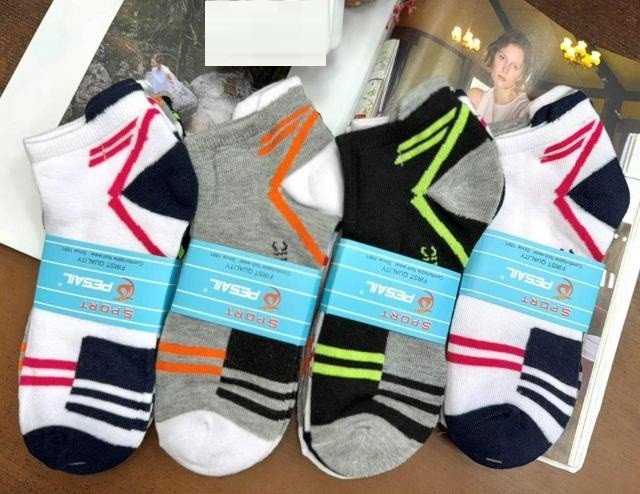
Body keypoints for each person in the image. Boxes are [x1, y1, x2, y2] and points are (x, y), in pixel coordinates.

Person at [468, 29, 534, 123]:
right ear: (493, 56)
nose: (505, 69)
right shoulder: (475, 97)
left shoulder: (524, 112)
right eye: (502, 57)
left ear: (521, 75)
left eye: (515, 66)